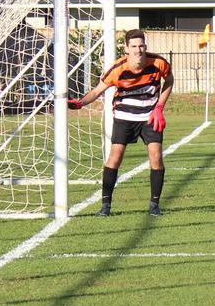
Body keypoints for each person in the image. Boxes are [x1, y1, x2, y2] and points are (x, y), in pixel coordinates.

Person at [69, 29, 173, 216]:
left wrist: (159, 107)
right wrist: (80, 103)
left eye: (141, 45)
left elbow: (170, 80)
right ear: (126, 48)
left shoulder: (159, 63)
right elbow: (96, 91)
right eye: (133, 46)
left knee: (156, 157)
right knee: (115, 158)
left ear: (145, 46)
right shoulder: (117, 69)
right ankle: (105, 206)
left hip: (149, 117)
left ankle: (154, 205)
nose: (138, 50)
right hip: (124, 117)